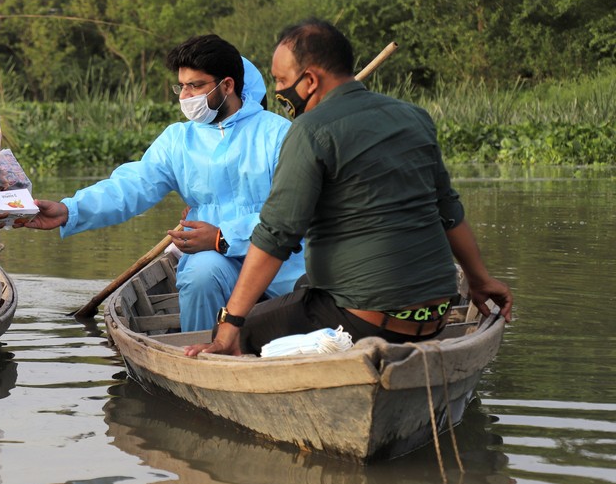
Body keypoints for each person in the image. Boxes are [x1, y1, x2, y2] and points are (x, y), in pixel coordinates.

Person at [185, 19, 514, 358]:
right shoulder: (414, 117)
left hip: (365, 321)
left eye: (282, 80)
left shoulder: (309, 129)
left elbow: (276, 234)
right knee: (303, 286)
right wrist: (479, 281)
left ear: (310, 81)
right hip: (433, 318)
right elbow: (449, 209)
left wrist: (230, 322)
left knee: (231, 333)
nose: (279, 90)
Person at [21, 34, 305, 333]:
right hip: (212, 260)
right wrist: (69, 210)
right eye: (181, 86)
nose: (185, 96)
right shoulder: (178, 139)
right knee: (201, 274)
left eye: (195, 86)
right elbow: (130, 187)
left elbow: (295, 211)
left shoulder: (279, 135)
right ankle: (202, 358)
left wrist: (224, 236)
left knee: (309, 298)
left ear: (228, 85)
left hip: (281, 260)